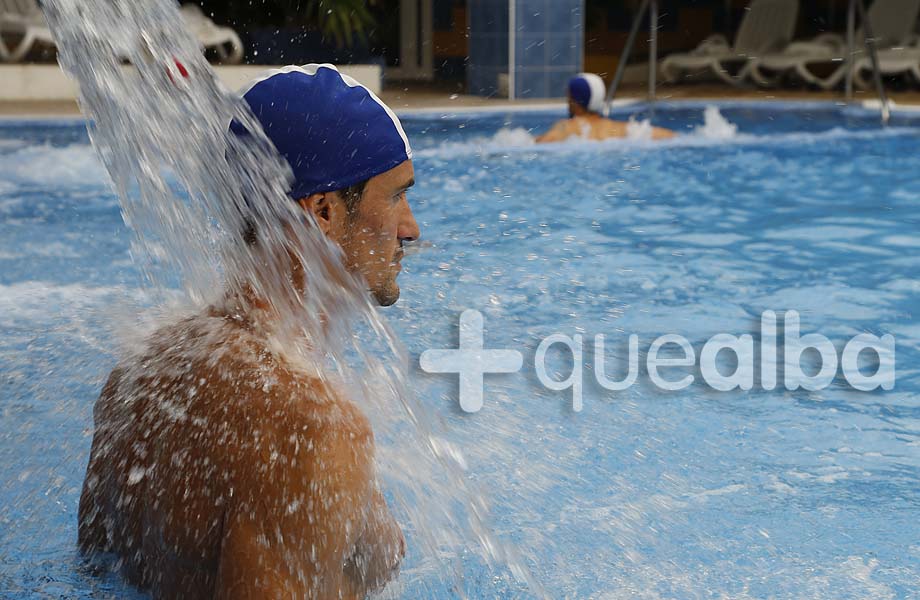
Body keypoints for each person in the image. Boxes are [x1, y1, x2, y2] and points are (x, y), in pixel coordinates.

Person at [77, 65, 419, 599]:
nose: (410, 227)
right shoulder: (312, 430)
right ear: (323, 212)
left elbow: (91, 577)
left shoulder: (138, 376)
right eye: (396, 196)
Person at [536, 73, 675, 143]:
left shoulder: (565, 128)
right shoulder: (619, 128)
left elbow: (543, 144)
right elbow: (669, 136)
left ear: (573, 100)